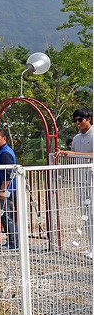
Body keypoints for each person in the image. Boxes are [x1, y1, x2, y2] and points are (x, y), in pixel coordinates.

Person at [57, 108, 93, 259]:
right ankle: (91, 246)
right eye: (75, 120)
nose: (77, 123)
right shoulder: (77, 138)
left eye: (80, 120)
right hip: (80, 180)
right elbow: (73, 157)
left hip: (92, 180)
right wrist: (66, 154)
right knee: (85, 214)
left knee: (92, 212)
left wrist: (74, 154)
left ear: (89, 119)